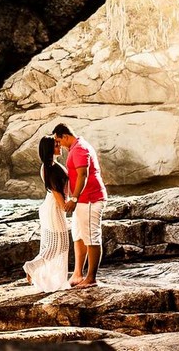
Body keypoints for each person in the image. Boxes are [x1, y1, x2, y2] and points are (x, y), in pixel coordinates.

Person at [53, 124, 107, 288]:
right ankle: (77, 274)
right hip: (82, 202)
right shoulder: (76, 147)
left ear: (65, 136)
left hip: (90, 199)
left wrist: (74, 198)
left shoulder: (79, 149)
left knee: (91, 237)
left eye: (58, 140)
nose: (58, 144)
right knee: (78, 236)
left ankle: (91, 279)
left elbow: (83, 174)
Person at [22, 135, 71, 292]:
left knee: (53, 245)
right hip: (54, 209)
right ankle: (31, 267)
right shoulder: (53, 169)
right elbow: (57, 193)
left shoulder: (46, 166)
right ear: (50, 149)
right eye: (56, 145)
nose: (60, 147)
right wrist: (67, 205)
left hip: (49, 208)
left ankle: (40, 273)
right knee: (60, 245)